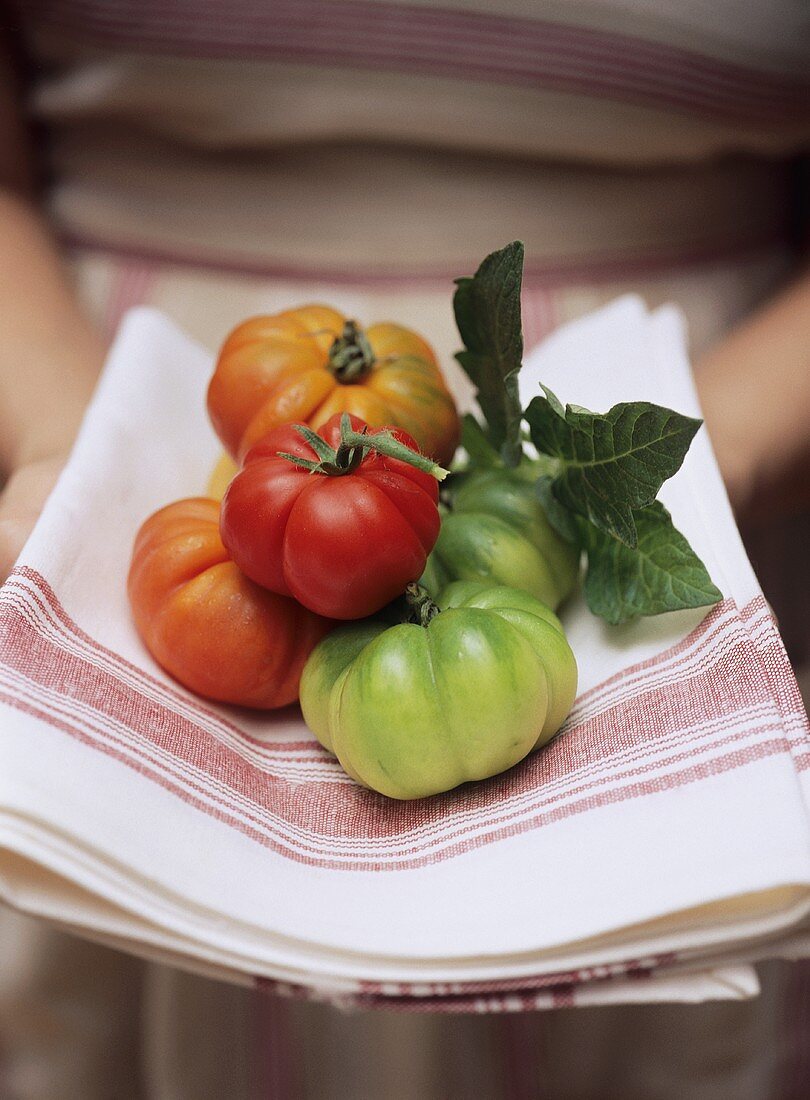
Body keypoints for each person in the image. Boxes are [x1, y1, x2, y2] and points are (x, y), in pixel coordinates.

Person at [0, 2, 808, 1097]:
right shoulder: (250, 525)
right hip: (87, 385)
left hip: (732, 418)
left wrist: (722, 454)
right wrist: (68, 447)